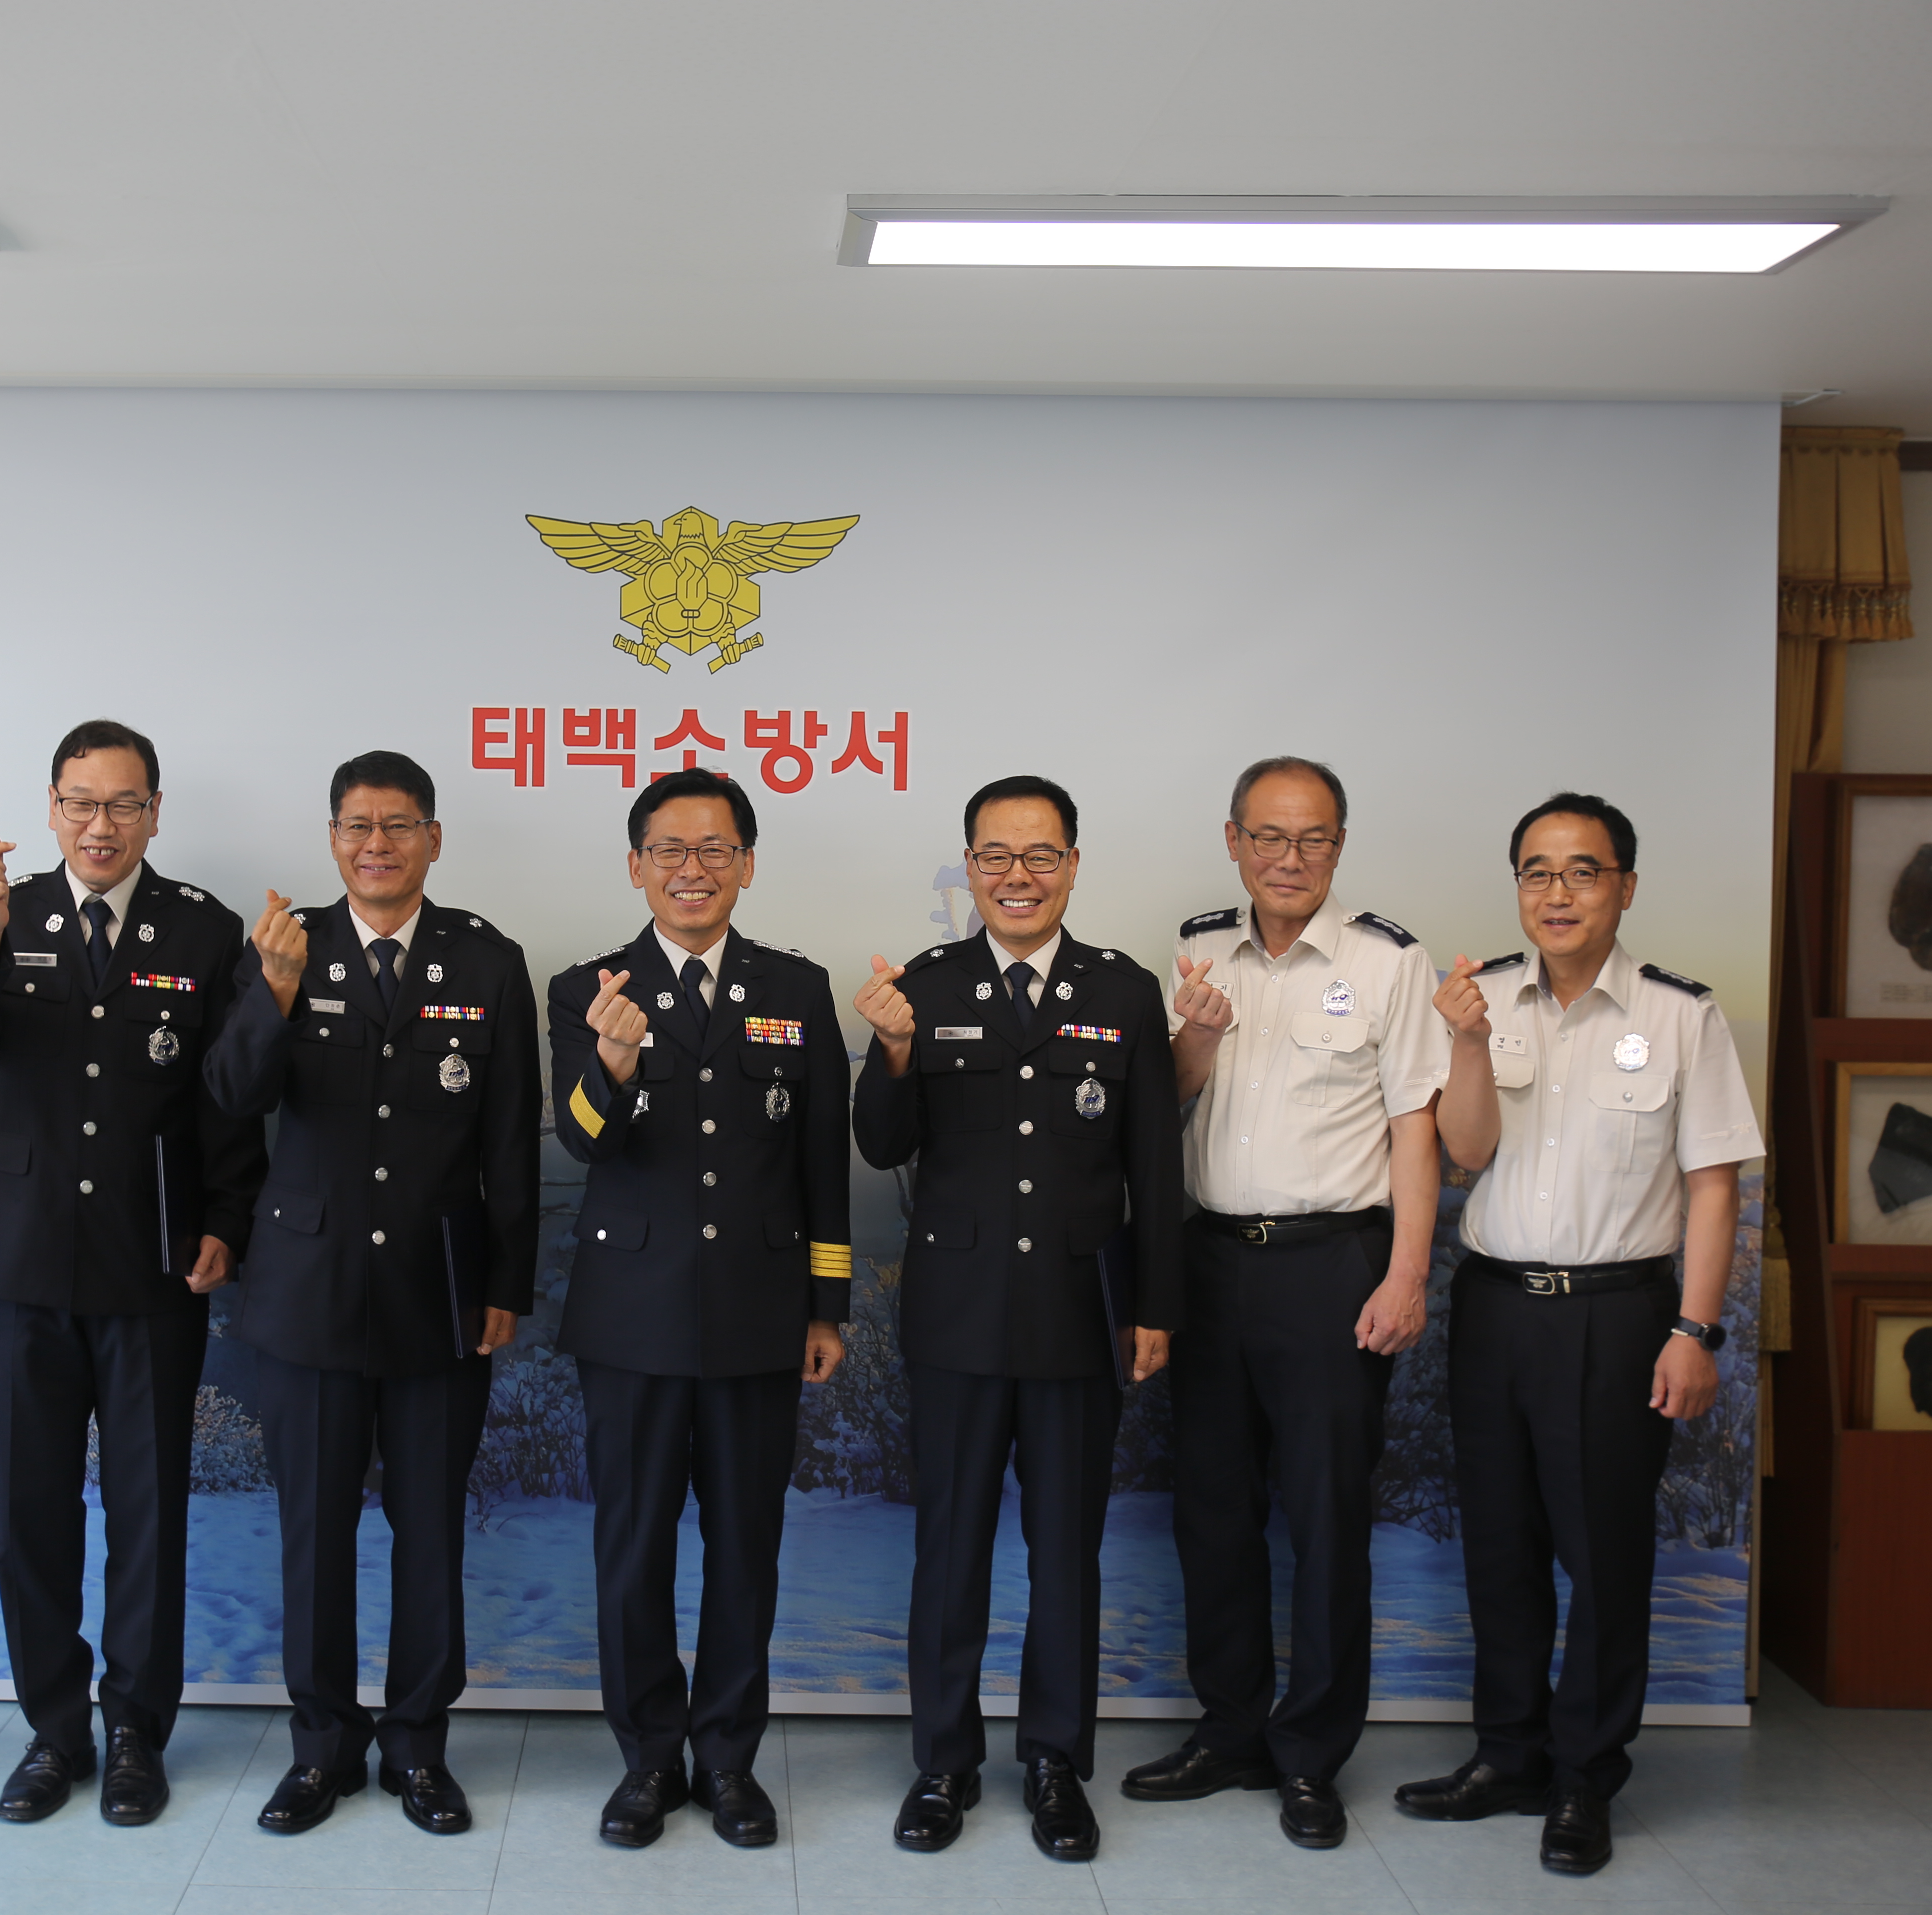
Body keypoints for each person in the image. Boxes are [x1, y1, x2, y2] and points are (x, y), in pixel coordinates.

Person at [1395, 792, 1757, 1875]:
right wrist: (1468, 1043)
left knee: (1603, 1555)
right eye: (1537, 872)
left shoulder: (1682, 1015)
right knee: (1500, 1546)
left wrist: (1696, 1329)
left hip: (1618, 1314)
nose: (1557, 894)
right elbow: (1466, 1152)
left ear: (1625, 888)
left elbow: (1714, 1187)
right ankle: (1509, 1755)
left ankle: (1587, 1774)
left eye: (1583, 872)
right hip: (1497, 1307)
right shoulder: (1484, 1001)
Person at [0, 719, 265, 1828]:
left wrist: (226, 1221)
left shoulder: (204, 929)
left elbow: (227, 1095)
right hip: (22, 1256)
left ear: (155, 813)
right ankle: (53, 1732)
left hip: (150, 1256)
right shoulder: (7, 912)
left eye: (122, 804)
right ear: (52, 810)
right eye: (79, 803)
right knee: (32, 1508)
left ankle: (134, 1735)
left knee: (147, 1512)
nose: (100, 825)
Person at [206, 750, 540, 1839]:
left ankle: (417, 1749)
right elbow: (230, 1095)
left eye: (400, 826)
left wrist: (506, 1282)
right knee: (313, 1533)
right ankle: (321, 1749)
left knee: (430, 1530)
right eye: (358, 826)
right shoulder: (285, 946)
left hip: (439, 1293)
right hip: (306, 1293)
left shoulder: (486, 959)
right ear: (333, 839)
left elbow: (510, 1142)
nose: (378, 845)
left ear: (433, 839)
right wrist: (274, 993)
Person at [851, 773, 1178, 1863]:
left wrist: (1155, 1307)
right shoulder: (925, 986)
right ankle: (943, 1761)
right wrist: (893, 1053)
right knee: (949, 1549)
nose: (1018, 876)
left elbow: (1154, 1167)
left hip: (1080, 1318)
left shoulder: (1123, 991)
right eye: (995, 856)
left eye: (1041, 855)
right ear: (970, 867)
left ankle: (1053, 1763)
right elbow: (882, 1144)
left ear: (1073, 866)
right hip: (956, 1320)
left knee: (1066, 1554)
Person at [1127, 755, 1443, 1849]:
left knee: (1325, 1517)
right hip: (1212, 1261)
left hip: (1334, 1266)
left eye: (1312, 839)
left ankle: (1311, 1754)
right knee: (1212, 1512)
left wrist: (1408, 1273)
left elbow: (1416, 1127)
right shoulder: (1199, 946)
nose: (1289, 858)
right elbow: (1162, 1106)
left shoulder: (1389, 962)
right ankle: (1231, 1731)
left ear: (1339, 847)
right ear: (1234, 842)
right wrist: (1198, 1035)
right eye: (1268, 836)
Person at [545, 766, 851, 1850]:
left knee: (744, 1549)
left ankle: (727, 1759)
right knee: (632, 1548)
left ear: (747, 865)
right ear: (637, 867)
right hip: (631, 1319)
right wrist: (614, 1060)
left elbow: (822, 1161)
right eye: (669, 850)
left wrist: (827, 1306)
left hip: (760, 1318)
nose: (692, 869)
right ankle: (647, 1759)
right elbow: (583, 1139)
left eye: (715, 848)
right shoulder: (589, 987)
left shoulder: (797, 988)